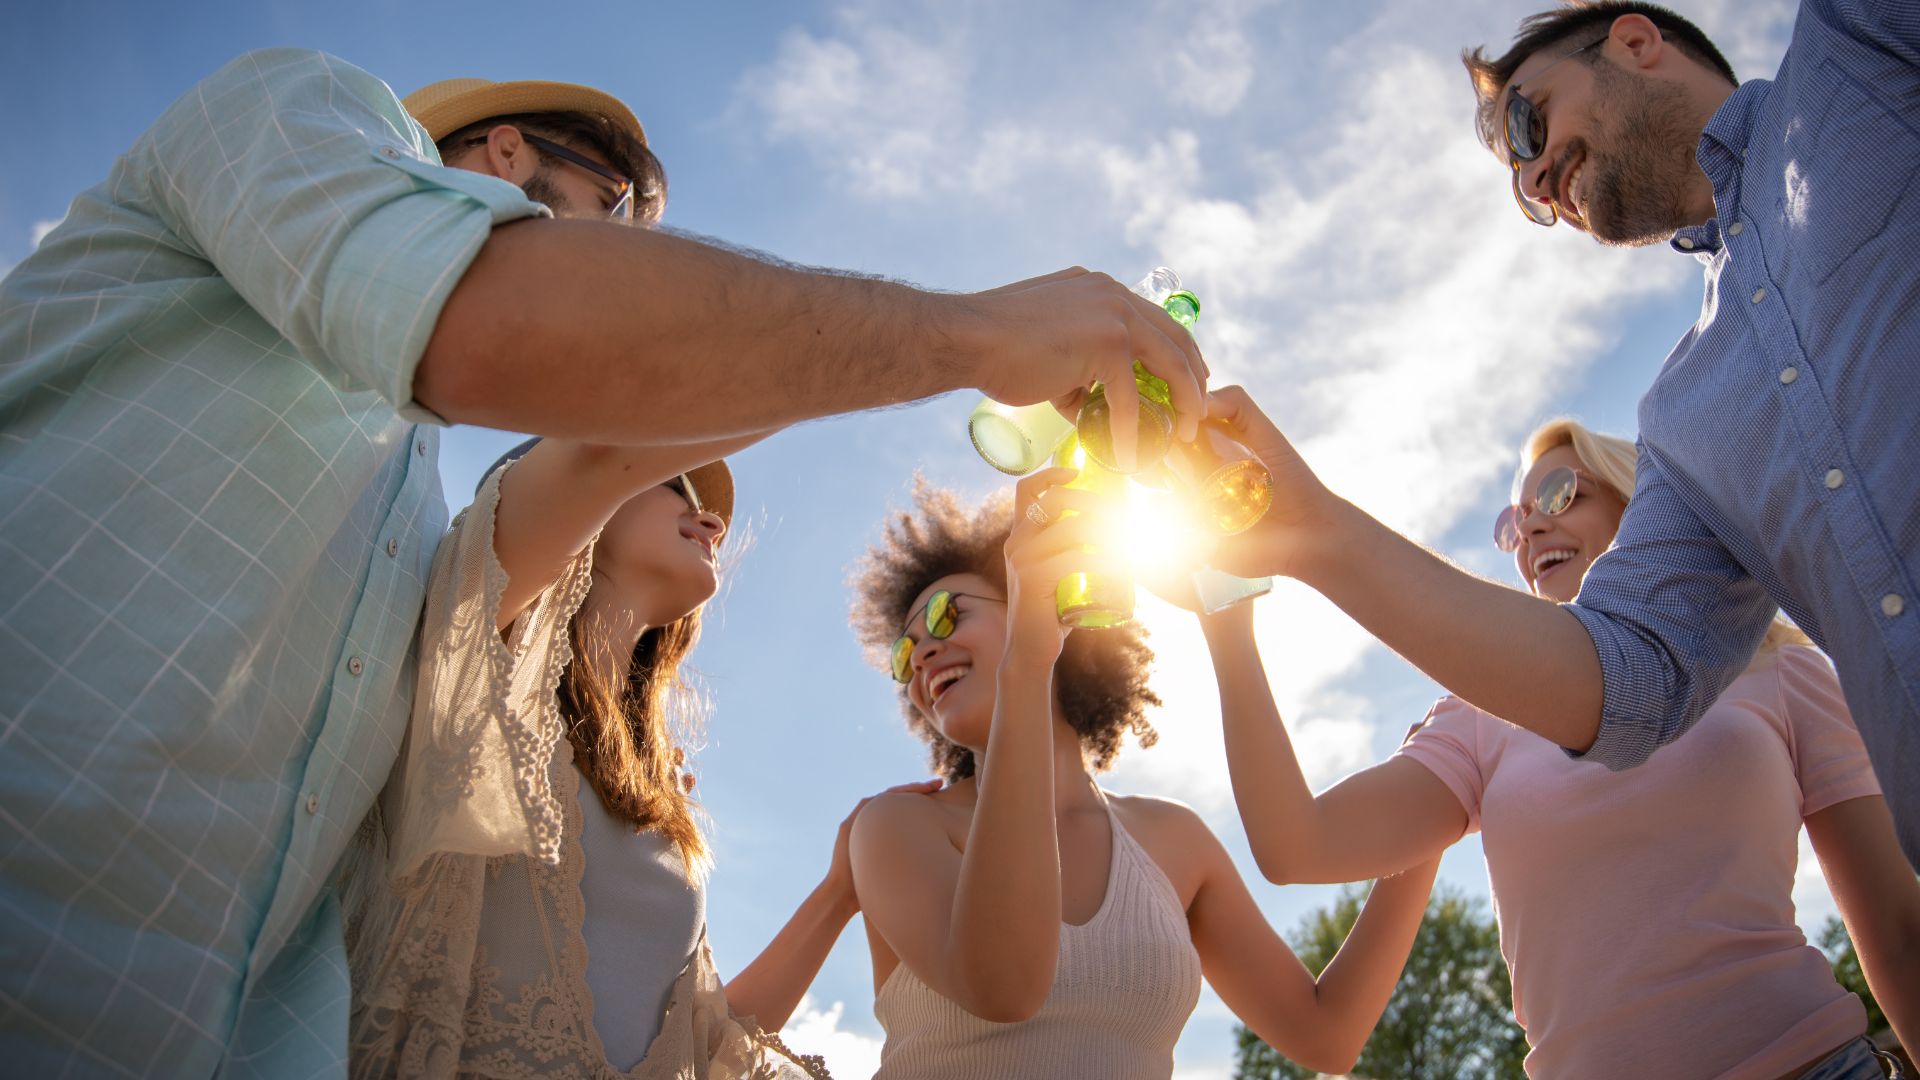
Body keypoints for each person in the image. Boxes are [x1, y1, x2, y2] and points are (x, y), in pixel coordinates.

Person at [0, 51, 1207, 1077]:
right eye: (618, 218)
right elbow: (565, 369)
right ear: (504, 153)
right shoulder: (298, 107)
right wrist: (970, 336)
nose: (630, 274)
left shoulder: (407, 529)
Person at [1208, 0, 1920, 870]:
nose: (1536, 182)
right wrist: (1313, 533)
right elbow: (1629, 673)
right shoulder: (1684, 420)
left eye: (1526, 119)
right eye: (1520, 185)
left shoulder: (1855, 53)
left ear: (1634, 41)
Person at [1211, 418, 1920, 1078]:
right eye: (1513, 522)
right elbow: (1295, 844)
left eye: (1559, 494)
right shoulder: (1478, 713)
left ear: (1640, 505)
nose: (1532, 526)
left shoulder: (1777, 666)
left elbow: (1897, 934)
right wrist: (1227, 620)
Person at [345, 438, 922, 1077]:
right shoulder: (482, 661)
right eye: (674, 481)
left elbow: (704, 1041)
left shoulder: (666, 801)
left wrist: (839, 893)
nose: (711, 521)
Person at [843, 477, 1439, 1078]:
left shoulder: (1173, 839)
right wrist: (1026, 658)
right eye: (904, 651)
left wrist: (1437, 798)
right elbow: (1004, 986)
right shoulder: (894, 827)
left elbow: (1325, 1037)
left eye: (947, 617)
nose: (920, 654)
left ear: (1054, 601)